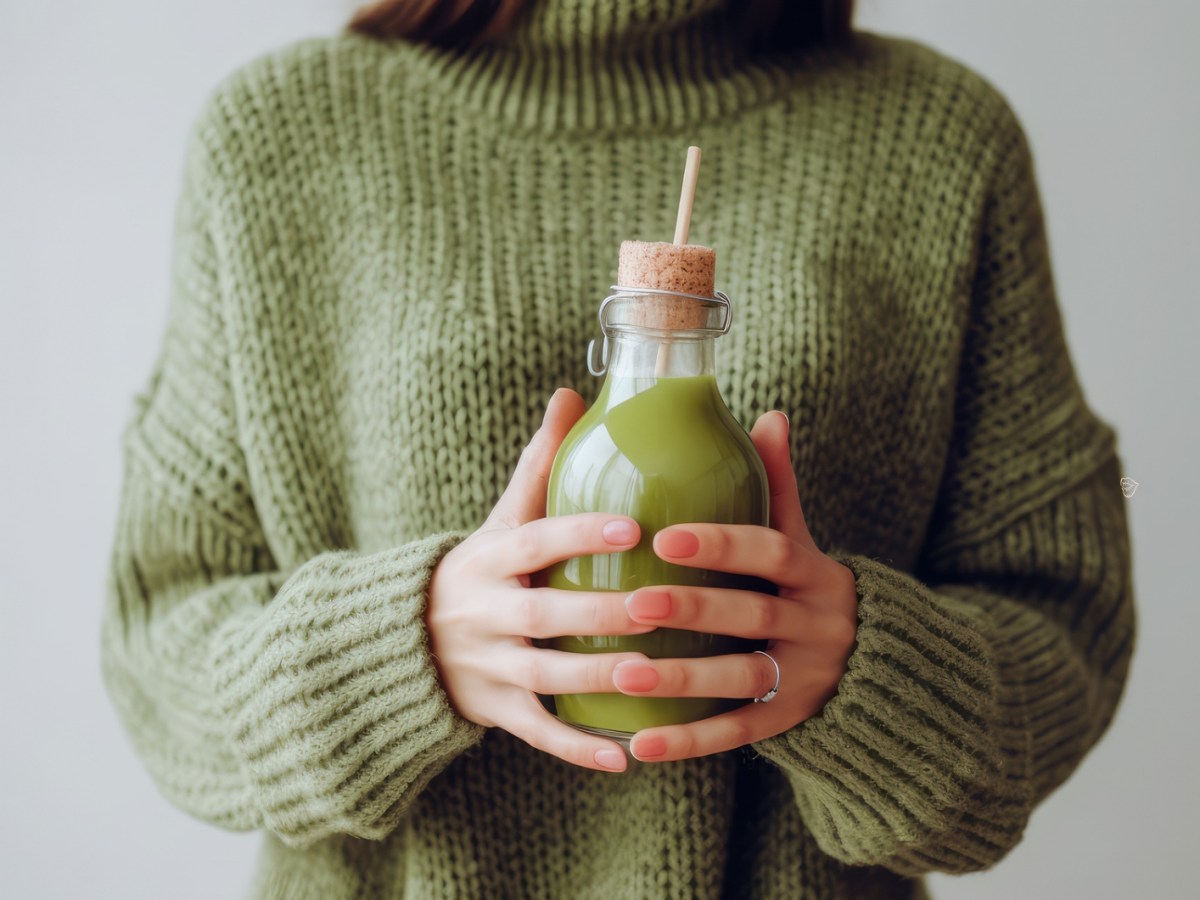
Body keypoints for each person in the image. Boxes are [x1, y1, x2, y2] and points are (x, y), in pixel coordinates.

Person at [100, 1, 1137, 898]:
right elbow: (158, 648)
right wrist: (399, 648)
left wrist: (865, 671)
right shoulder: (280, 136)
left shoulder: (941, 137)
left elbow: (1064, 623)